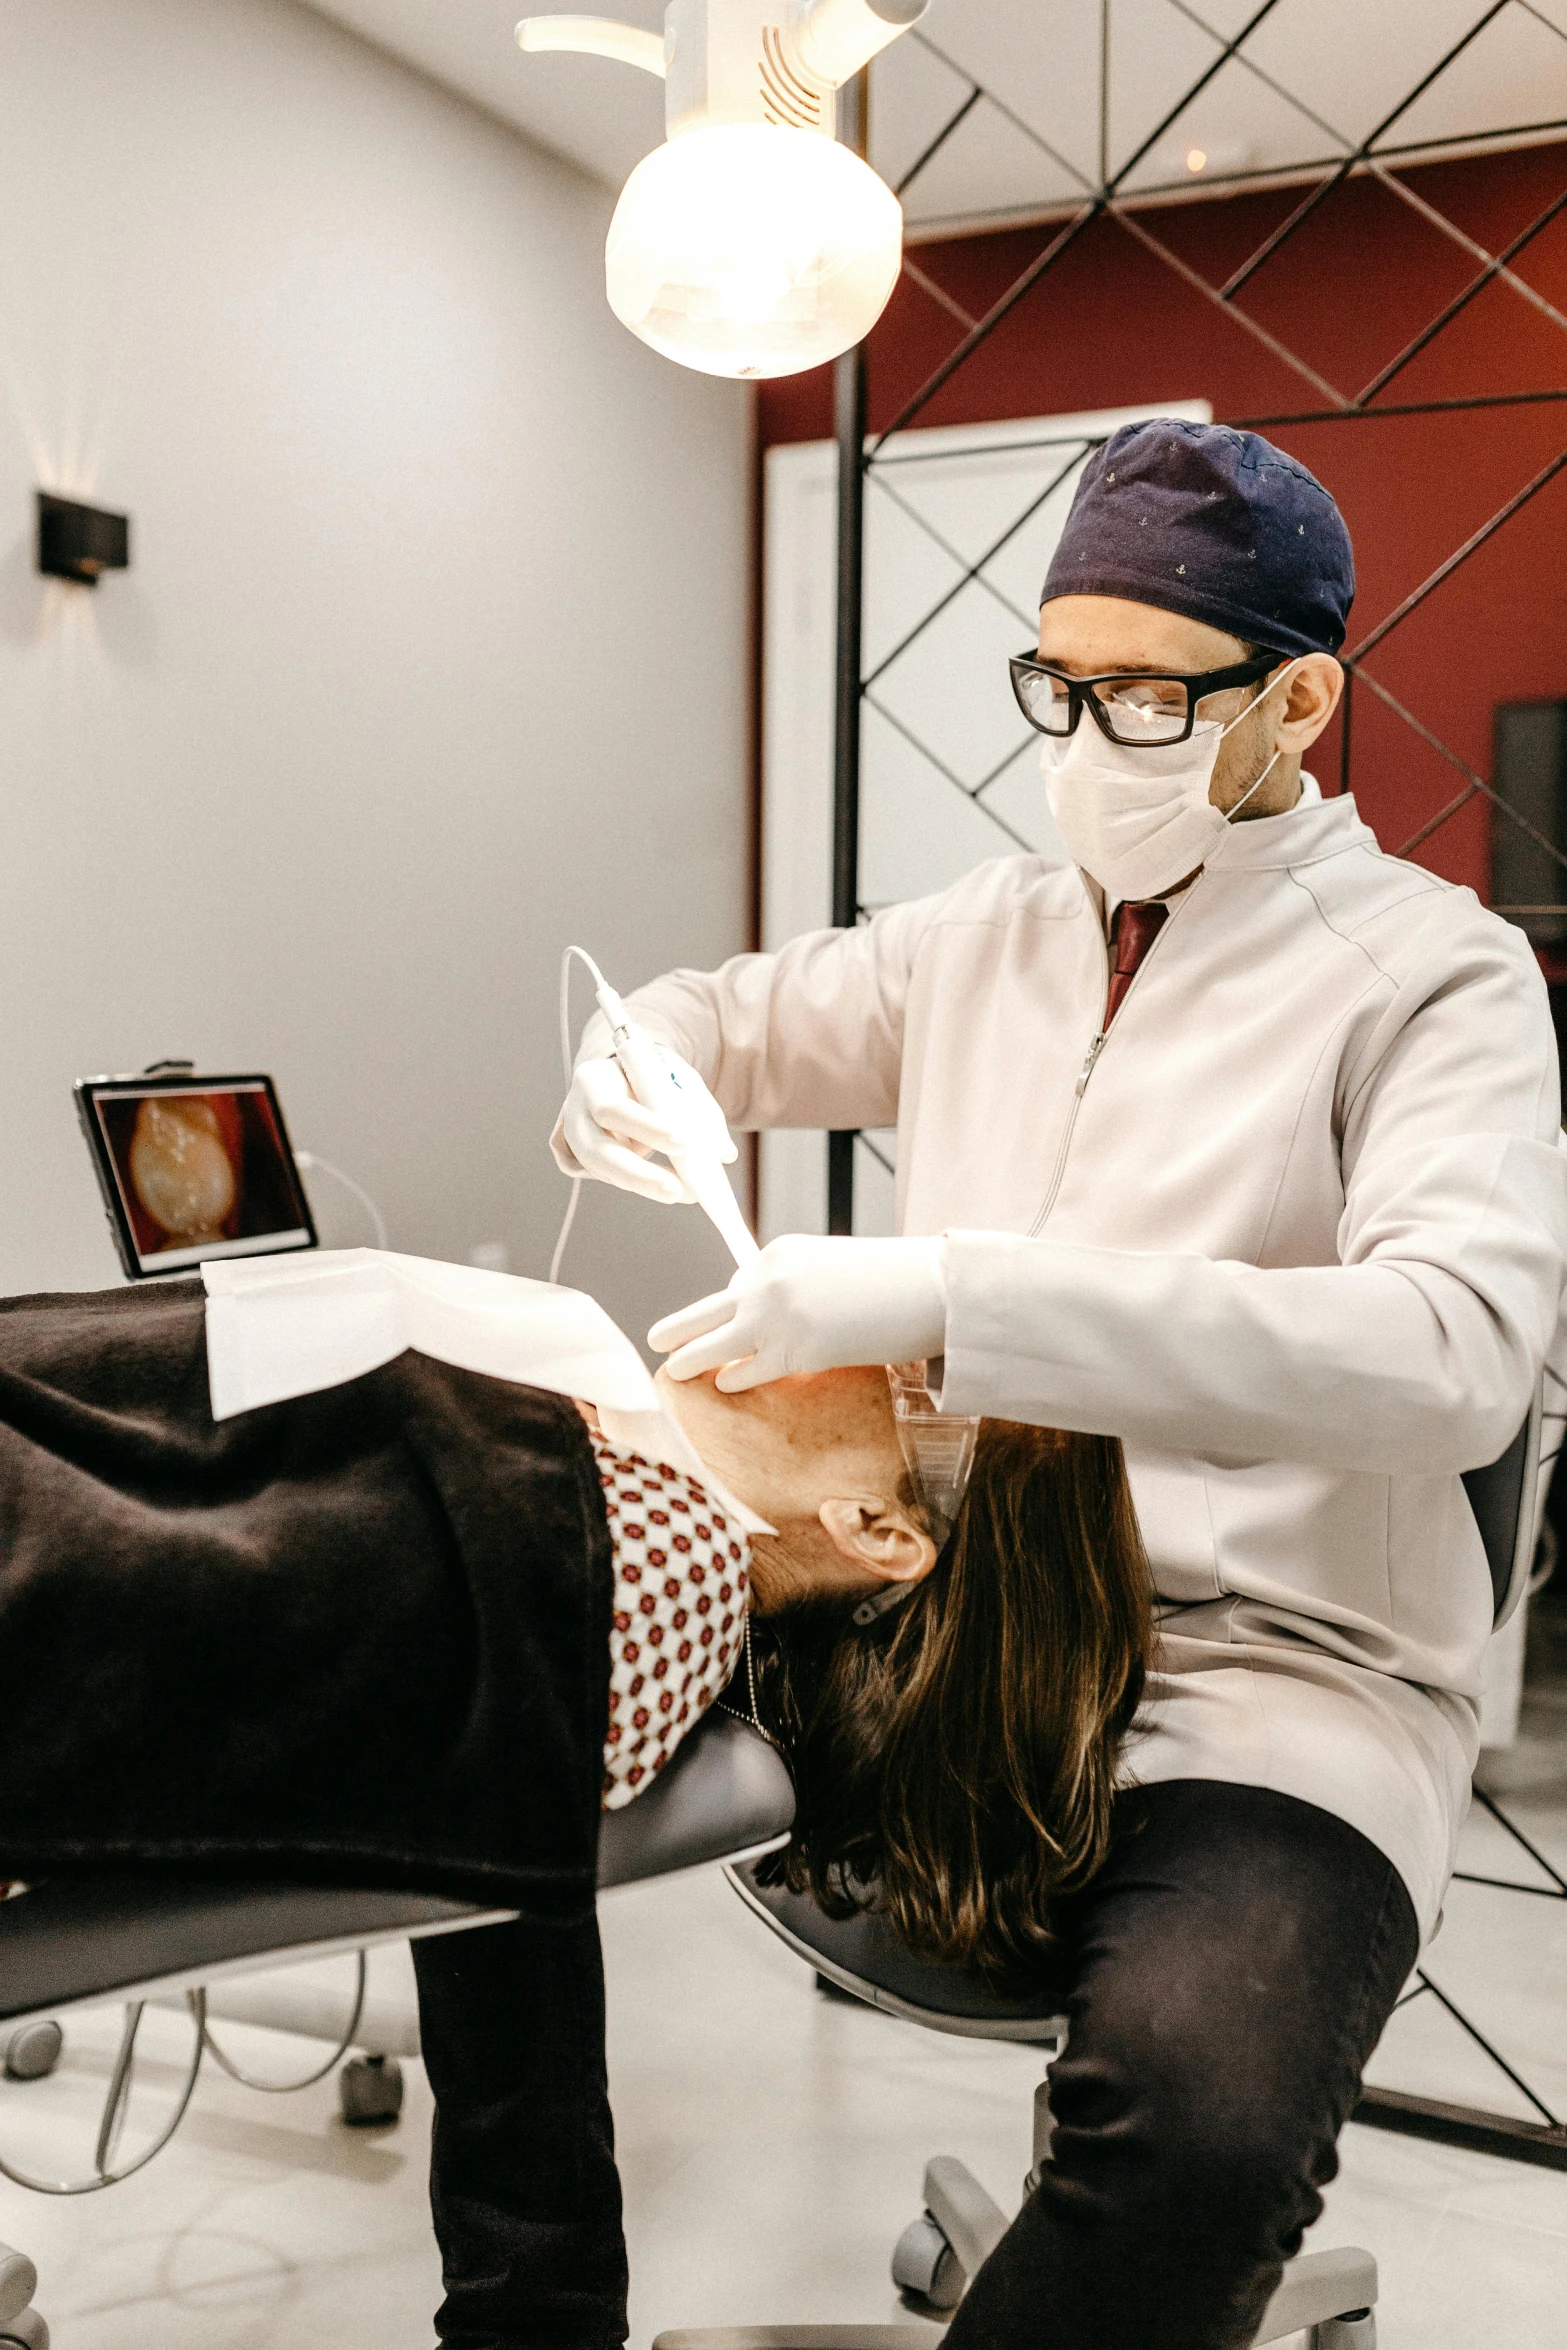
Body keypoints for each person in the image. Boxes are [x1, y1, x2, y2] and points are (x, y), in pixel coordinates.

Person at [553, 417, 1567, 2348]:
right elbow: (727, 1020)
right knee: (484, 1713)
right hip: (937, 1634)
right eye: (1059, 681)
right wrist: (646, 1060)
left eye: (1143, 695)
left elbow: (1450, 1351)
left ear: (1295, 701)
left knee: (1187, 2130)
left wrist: (953, 1291)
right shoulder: (989, 939)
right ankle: (523, 2302)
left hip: (1266, 1682)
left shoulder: (1430, 981)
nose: (1086, 735)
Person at [0, 1264, 1149, 2345]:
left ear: (876, 1530)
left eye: (890, 1361)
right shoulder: (591, 1476)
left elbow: (106, 1592)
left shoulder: (637, 1563)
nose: (817, 1313)